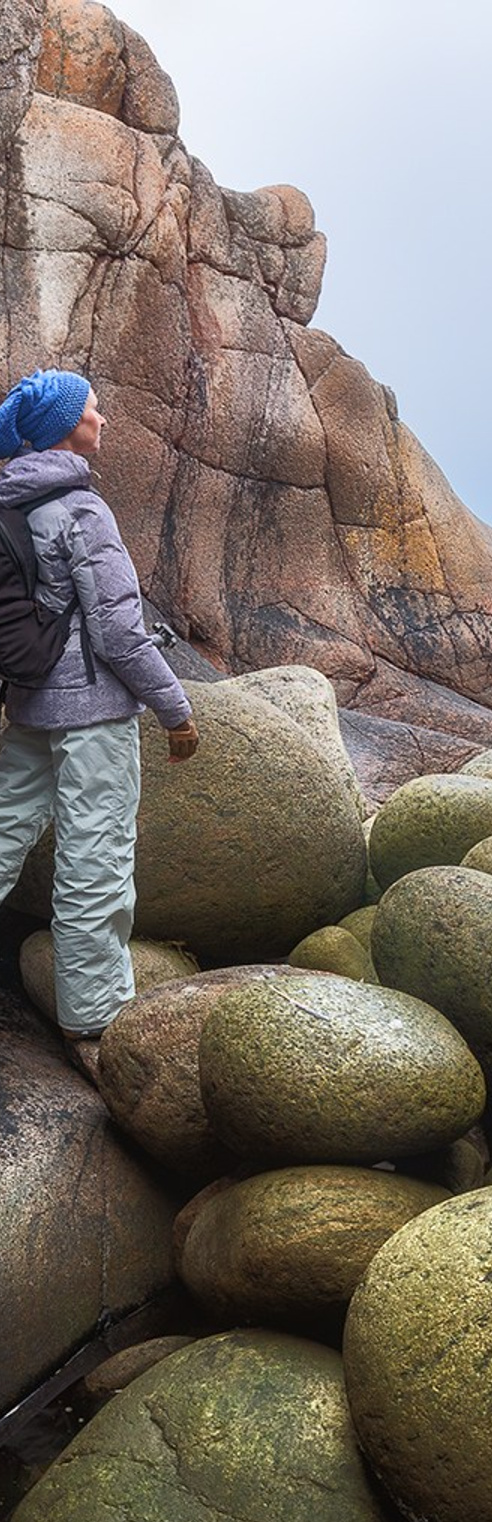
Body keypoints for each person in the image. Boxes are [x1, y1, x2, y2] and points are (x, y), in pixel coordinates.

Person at [0, 368, 197, 1074]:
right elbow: (118, 633)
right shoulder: (81, 510)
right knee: (95, 861)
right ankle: (94, 1015)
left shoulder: (12, 501)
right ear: (63, 429)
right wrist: (175, 709)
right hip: (92, 715)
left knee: (2, 831)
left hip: (30, 702)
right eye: (91, 409)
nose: (102, 419)